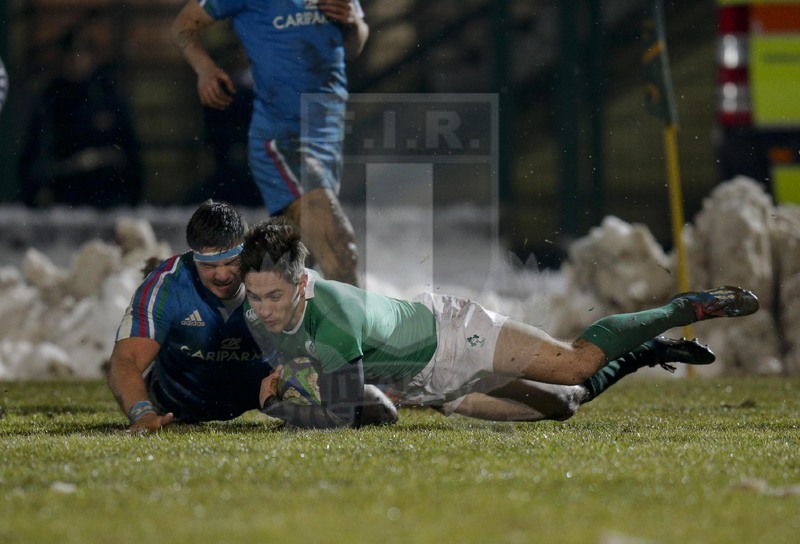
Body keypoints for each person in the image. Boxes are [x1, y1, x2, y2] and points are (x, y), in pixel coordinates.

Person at [239, 217, 760, 428]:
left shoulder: (331, 315)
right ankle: (648, 350)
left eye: (275, 295)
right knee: (562, 408)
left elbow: (362, 414)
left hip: (451, 339)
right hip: (425, 384)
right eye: (254, 295)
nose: (263, 308)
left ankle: (684, 307)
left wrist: (278, 405)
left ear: (303, 282)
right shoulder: (260, 302)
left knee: (575, 365)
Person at [108, 201, 395, 433]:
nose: (221, 275)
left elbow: (332, 334)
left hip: (261, 394)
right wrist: (142, 414)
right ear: (192, 257)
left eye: (231, 262)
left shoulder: (277, 278)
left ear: (245, 252)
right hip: (178, 404)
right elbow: (127, 360)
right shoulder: (167, 285)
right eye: (209, 266)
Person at [171, 0, 368, 286]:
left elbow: (353, 45)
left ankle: (244, 317)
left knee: (299, 264)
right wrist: (205, 69)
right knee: (339, 246)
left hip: (327, 133)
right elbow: (184, 24)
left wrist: (353, 22)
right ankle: (358, 332)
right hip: (283, 137)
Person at [18, 27, 143, 208]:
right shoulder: (51, 98)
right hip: (65, 190)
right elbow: (36, 151)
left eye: (81, 54)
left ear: (91, 58)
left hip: (106, 191)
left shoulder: (106, 94)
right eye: (71, 55)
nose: (76, 61)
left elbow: (129, 148)